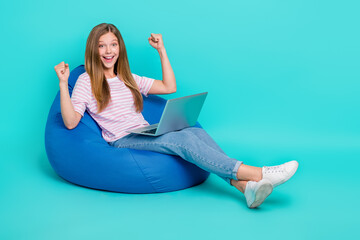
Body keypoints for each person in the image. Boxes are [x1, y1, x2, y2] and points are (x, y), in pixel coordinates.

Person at [54, 23, 298, 208]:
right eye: (102, 45)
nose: (109, 51)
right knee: (184, 140)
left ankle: (245, 187)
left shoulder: (127, 77)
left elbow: (169, 87)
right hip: (122, 139)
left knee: (194, 131)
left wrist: (161, 51)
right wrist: (64, 84)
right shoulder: (86, 81)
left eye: (113, 44)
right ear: (94, 50)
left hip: (143, 130)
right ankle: (258, 173)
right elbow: (71, 121)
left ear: (120, 48)